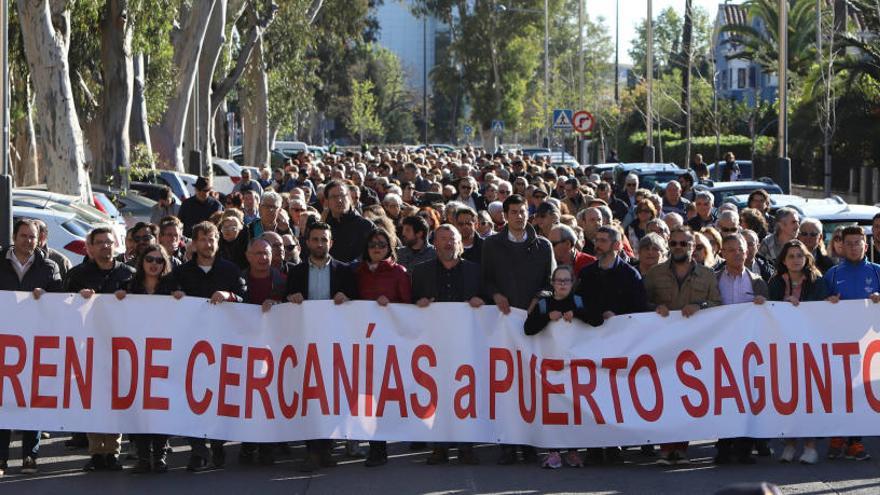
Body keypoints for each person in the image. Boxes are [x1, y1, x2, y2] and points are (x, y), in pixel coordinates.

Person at [481, 194, 554, 465]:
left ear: (528, 214)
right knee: (505, 385)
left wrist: (539, 296)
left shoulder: (543, 246)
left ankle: (529, 442)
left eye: (522, 211)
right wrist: (496, 294)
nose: (518, 216)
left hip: (532, 323)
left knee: (531, 384)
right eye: (513, 212)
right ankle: (507, 444)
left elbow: (549, 281)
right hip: (503, 323)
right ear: (505, 215)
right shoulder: (491, 245)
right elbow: (485, 279)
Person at [644, 226, 721, 465]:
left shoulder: (708, 275)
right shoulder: (654, 274)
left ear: (692, 247)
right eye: (675, 243)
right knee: (665, 394)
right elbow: (641, 303)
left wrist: (701, 306)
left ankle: (682, 447)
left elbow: (718, 305)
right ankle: (666, 448)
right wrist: (654, 309)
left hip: (695, 347)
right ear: (669, 245)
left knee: (688, 396)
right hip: (662, 345)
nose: (679, 247)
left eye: (684, 244)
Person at [173, 221, 247, 471]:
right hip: (192, 345)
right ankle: (198, 449)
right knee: (193, 396)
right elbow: (168, 296)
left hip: (223, 344)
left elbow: (244, 298)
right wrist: (176, 296)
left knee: (218, 395)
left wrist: (230, 296)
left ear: (218, 241)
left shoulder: (230, 270)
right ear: (194, 243)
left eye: (212, 239)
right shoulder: (182, 272)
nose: (207, 244)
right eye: (202, 239)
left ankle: (217, 443)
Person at [286, 222, 358, 472]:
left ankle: (326, 448)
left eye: (324, 240)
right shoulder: (295, 272)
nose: (319, 244)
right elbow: (286, 302)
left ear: (331, 243)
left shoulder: (345, 271)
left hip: (335, 344)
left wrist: (348, 300)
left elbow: (358, 305)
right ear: (307, 243)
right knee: (309, 396)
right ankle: (312, 450)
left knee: (330, 395)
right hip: (305, 343)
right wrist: (290, 299)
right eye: (315, 239)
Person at [65, 227, 137, 472]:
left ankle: (112, 451)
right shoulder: (77, 275)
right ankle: (97, 451)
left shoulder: (129, 274)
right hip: (89, 346)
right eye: (100, 243)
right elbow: (61, 306)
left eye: (109, 242)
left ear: (116, 245)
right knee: (94, 397)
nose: (106, 246)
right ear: (90, 248)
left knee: (116, 397)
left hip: (120, 346)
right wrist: (77, 297)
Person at [411, 225, 483, 466]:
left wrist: (481, 301)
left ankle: (466, 447)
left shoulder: (475, 271)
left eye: (452, 238)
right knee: (437, 395)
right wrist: (417, 303)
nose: (448, 243)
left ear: (459, 242)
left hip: (467, 345)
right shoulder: (421, 272)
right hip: (434, 345)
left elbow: (487, 299)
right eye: (442, 239)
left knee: (465, 395)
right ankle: (439, 447)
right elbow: (408, 303)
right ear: (435, 243)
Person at [0, 219, 63, 476]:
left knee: (33, 399)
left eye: (32, 237)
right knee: (4, 399)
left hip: (37, 343)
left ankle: (30, 455)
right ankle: (1, 459)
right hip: (5, 343)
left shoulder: (49, 267)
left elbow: (61, 301)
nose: (28, 241)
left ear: (40, 239)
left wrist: (46, 298)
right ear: (15, 236)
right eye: (23, 236)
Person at [113, 245, 183, 474]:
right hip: (136, 358)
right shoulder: (129, 286)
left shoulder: (173, 287)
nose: (154, 264)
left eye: (159, 260)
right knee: (139, 408)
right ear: (142, 262)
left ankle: (160, 454)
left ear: (165, 264)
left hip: (164, 356)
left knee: (160, 407)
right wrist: (119, 298)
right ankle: (143, 457)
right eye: (150, 259)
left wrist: (181, 299)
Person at [767, 239, 831, 465]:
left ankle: (811, 446)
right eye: (791, 256)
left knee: (809, 397)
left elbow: (820, 310)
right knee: (788, 396)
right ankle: (790, 444)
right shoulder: (775, 283)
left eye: (799, 255)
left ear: (806, 258)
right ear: (783, 260)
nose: (795, 260)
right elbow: (769, 310)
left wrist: (801, 305)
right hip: (783, 348)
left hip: (810, 347)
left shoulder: (817, 281)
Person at [523, 265, 592, 469]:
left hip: (574, 367)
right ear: (552, 283)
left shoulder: (579, 301)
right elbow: (528, 329)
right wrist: (546, 317)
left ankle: (573, 452)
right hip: (550, 367)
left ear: (573, 283)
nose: (562, 284)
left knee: (573, 409)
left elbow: (596, 321)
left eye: (566, 280)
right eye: (558, 280)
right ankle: (553, 452)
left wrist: (578, 314)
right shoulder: (544, 304)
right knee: (553, 409)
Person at [354, 228, 412, 467]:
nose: (377, 247)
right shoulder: (358, 272)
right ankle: (374, 446)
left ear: (389, 247)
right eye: (372, 244)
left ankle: (382, 446)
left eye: (381, 243)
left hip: (390, 344)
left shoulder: (399, 272)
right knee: (366, 396)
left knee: (384, 396)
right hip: (364, 342)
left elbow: (408, 306)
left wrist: (392, 305)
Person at [824, 226, 880, 462]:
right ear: (841, 246)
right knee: (839, 390)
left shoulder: (877, 272)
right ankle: (838, 436)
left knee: (863, 391)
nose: (854, 247)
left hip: (870, 345)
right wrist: (828, 301)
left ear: (865, 246)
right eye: (849, 243)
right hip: (840, 344)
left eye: (858, 243)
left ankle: (855, 441)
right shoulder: (832, 274)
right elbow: (816, 309)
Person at [713, 233, 768, 465]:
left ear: (747, 252)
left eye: (740, 249)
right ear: (722, 253)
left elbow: (769, 315)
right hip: (720, 349)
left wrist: (762, 304)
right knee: (723, 398)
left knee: (747, 397)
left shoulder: (758, 282)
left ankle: (745, 448)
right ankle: (723, 448)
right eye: (731, 249)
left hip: (749, 350)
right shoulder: (713, 279)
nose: (737, 253)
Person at [238, 238, 285, 466]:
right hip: (245, 346)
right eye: (257, 254)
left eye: (266, 253)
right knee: (248, 398)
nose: (263, 258)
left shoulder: (282, 281)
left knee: (269, 398)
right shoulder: (239, 280)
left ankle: (268, 446)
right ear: (248, 256)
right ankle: (248, 445)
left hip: (273, 348)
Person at [324, 180, 375, 263]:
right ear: (327, 201)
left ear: (349, 198)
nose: (339, 200)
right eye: (334, 197)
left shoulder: (365, 226)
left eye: (342, 195)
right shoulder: (325, 227)